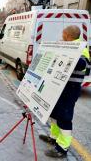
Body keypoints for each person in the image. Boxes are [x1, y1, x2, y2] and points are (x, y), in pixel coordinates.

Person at [39, 25, 90, 158]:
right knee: (55, 113)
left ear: (68, 35)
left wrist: (67, 54)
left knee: (65, 117)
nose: (62, 37)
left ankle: (62, 148)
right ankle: (54, 137)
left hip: (70, 89)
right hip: (60, 86)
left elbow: (84, 64)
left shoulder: (80, 48)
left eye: (63, 34)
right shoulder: (67, 46)